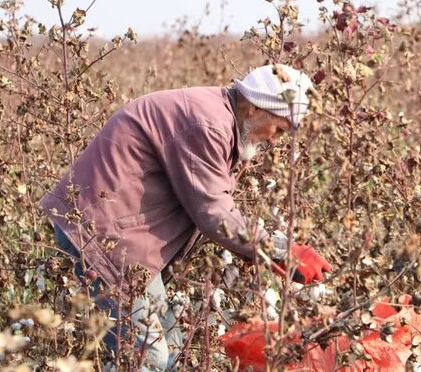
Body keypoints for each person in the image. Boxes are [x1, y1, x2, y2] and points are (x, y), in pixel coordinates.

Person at [40, 64, 332, 371]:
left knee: (172, 350)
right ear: (256, 107)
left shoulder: (217, 118)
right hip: (103, 234)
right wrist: (283, 250)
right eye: (279, 129)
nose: (274, 141)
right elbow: (214, 212)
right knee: (146, 358)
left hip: (122, 235)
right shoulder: (207, 125)